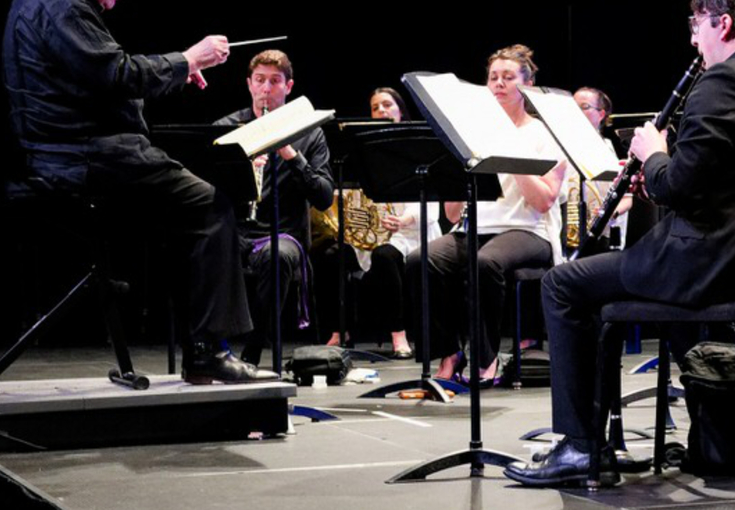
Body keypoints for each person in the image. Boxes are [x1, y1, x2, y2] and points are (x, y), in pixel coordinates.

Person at [506, 0, 735, 487]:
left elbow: (678, 185)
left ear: (725, 22)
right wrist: (662, 174)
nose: (693, 36)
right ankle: (610, 438)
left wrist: (653, 155)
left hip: (707, 265)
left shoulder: (725, 80)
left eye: (698, 24)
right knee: (598, 294)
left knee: (563, 284)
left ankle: (581, 446)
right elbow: (724, 179)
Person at [0, 0, 265, 384]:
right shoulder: (62, 8)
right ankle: (207, 352)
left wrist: (178, 72)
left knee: (189, 211)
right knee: (211, 208)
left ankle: (201, 346)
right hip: (84, 159)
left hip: (70, 154)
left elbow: (97, 81)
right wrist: (188, 58)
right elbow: (116, 74)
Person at [406, 45, 566, 385]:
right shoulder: (473, 133)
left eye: (508, 77)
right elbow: (451, 214)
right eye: (493, 77)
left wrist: (510, 149)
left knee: (485, 263)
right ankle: (449, 352)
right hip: (476, 229)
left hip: (529, 231)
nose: (498, 84)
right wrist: (456, 164)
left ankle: (484, 357)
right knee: (422, 259)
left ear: (527, 84)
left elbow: (544, 202)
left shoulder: (545, 133)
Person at [215, 50, 334, 365]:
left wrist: (290, 154)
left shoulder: (310, 133)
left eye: (275, 81)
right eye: (260, 80)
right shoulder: (227, 128)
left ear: (289, 86)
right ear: (249, 85)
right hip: (238, 229)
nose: (266, 89)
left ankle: (253, 351)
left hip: (284, 233)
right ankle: (212, 348)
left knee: (277, 256)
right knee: (201, 247)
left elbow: (323, 196)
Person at [316, 87, 438, 357]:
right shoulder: (361, 151)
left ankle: (399, 336)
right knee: (329, 255)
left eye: (387, 105)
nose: (381, 111)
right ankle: (339, 331)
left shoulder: (416, 146)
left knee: (384, 256)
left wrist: (404, 219)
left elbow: (433, 204)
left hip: (409, 233)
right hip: (367, 236)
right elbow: (351, 196)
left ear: (400, 111)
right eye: (375, 108)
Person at [562, 86, 630, 256]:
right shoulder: (558, 148)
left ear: (601, 114)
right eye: (572, 107)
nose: (576, 112)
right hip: (564, 234)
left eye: (584, 107)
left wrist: (608, 213)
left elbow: (628, 199)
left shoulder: (610, 152)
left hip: (599, 236)